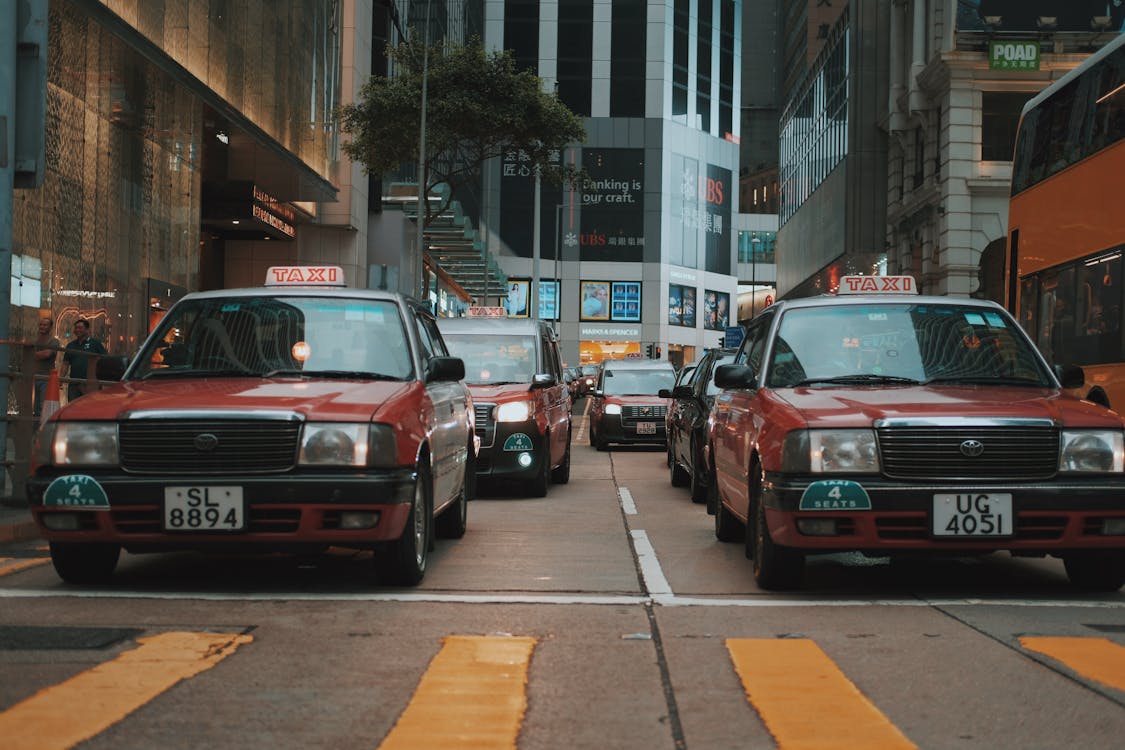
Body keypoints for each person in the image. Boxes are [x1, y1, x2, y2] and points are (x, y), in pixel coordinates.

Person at [61, 318, 108, 401]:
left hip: (91, 384)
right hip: (74, 383)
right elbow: (65, 363)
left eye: (80, 328)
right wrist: (61, 378)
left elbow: (104, 360)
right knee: (73, 407)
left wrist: (103, 380)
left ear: (87, 330)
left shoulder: (95, 343)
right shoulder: (71, 345)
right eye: (76, 328)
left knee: (90, 407)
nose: (77, 330)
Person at [32, 317, 61, 417]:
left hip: (46, 378)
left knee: (43, 407)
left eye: (45, 325)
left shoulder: (54, 341)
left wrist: (33, 354)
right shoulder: (35, 340)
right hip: (34, 377)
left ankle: (43, 431)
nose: (42, 327)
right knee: (35, 408)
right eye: (41, 324)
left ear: (50, 327)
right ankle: (36, 430)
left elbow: (47, 354)